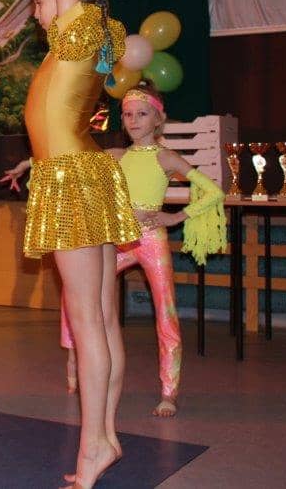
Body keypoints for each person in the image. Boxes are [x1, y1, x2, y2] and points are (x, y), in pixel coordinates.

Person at [11, 0, 140, 489]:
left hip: (70, 178)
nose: (37, 12)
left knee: (88, 320)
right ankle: (106, 437)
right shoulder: (86, 36)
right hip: (81, 171)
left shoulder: (75, 33)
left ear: (63, 5)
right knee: (101, 318)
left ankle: (92, 448)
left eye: (40, 2)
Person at [56, 83, 226, 417]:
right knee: (75, 289)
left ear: (158, 119)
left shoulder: (166, 157)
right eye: (128, 114)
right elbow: (69, 160)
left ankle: (169, 392)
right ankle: (74, 357)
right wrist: (30, 164)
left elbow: (213, 191)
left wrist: (174, 216)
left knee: (166, 313)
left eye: (142, 114)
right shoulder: (116, 156)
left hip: (151, 241)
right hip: (119, 240)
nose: (134, 120)